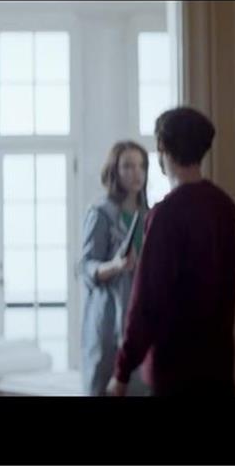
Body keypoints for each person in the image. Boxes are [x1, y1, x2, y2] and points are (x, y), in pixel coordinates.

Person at [107, 106, 235, 397]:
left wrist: (122, 370)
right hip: (218, 364)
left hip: (175, 369)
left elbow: (147, 300)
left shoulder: (165, 215)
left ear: (162, 148)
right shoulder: (225, 207)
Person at [78, 141, 152, 396]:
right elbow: (86, 266)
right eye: (128, 166)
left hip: (141, 316)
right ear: (115, 171)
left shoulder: (150, 215)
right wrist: (116, 265)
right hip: (108, 319)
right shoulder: (100, 213)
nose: (136, 173)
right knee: (105, 385)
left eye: (141, 166)